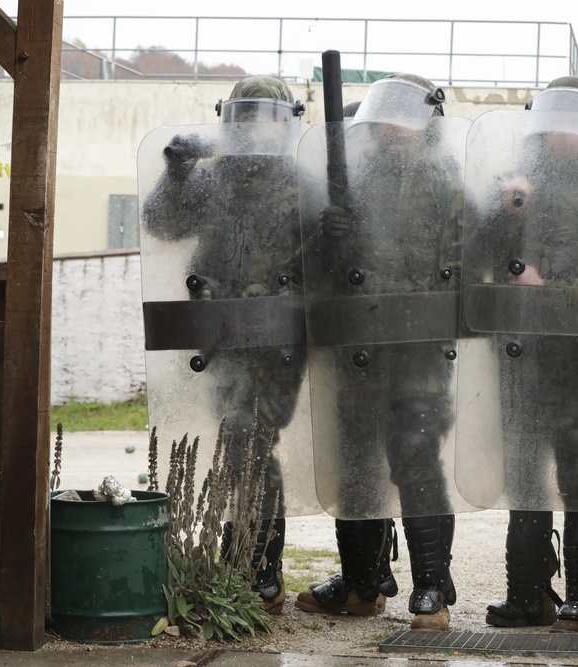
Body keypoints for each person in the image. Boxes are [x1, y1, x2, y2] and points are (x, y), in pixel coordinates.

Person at [465, 76, 578, 634]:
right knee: (523, 469)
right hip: (524, 355)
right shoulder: (517, 187)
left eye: (573, 126)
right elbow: (472, 255)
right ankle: (527, 594)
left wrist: (551, 285)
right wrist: (505, 211)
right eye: (552, 124)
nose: (560, 136)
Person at [293, 73, 467, 632]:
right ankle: (362, 585)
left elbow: (472, 264)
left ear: (427, 126)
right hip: (357, 349)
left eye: (402, 121)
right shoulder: (347, 181)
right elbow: (311, 273)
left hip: (419, 349)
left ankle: (431, 590)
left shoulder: (448, 185)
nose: (391, 131)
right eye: (383, 121)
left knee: (416, 456)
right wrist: (326, 235)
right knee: (357, 463)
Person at [140, 75, 310, 615]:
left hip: (276, 336)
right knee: (237, 445)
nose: (250, 126)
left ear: (285, 123)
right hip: (219, 335)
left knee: (248, 435)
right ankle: (244, 561)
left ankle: (260, 568)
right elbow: (162, 225)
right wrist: (177, 170)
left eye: (261, 116)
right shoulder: (213, 180)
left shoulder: (302, 182)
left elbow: (328, 260)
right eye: (241, 116)